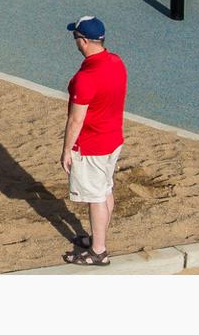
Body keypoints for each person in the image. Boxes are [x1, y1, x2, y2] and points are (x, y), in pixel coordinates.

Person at [61, 16, 126, 266]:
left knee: (96, 196)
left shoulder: (85, 79)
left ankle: (99, 250)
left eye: (75, 37)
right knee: (105, 189)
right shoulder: (116, 62)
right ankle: (98, 238)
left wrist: (67, 150)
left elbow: (76, 120)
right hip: (113, 139)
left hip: (92, 145)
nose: (74, 41)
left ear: (84, 40)